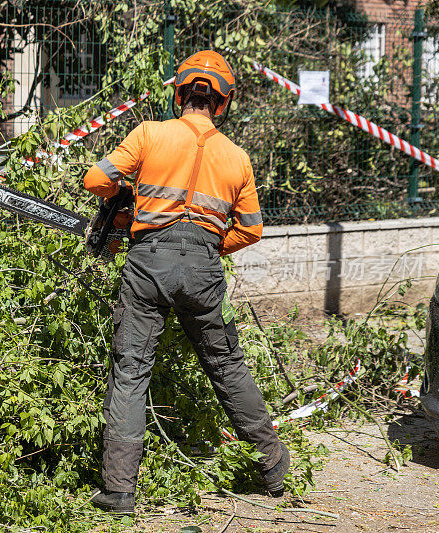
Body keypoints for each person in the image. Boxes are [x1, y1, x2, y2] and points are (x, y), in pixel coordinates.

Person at [83, 50, 289, 514]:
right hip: (203, 267)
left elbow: (95, 178)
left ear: (180, 92)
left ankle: (118, 492)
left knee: (132, 370)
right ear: (222, 102)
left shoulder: (151, 133)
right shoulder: (237, 158)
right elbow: (252, 228)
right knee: (227, 365)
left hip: (147, 262)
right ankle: (273, 466)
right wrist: (205, 247)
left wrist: (128, 195)